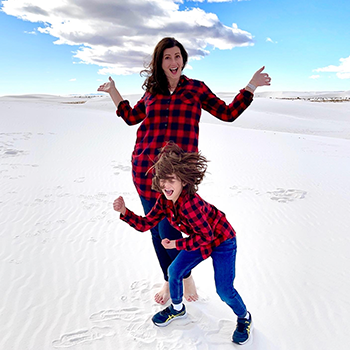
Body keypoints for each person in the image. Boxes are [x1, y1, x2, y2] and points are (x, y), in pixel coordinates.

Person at [98, 37, 271, 305]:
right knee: (156, 231)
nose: (173, 62)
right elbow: (132, 118)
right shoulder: (152, 92)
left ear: (184, 59)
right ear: (160, 62)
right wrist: (113, 91)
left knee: (173, 229)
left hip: (179, 177)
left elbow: (227, 113)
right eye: (167, 57)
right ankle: (171, 279)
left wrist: (251, 86)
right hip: (145, 171)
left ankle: (182, 275)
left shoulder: (196, 89)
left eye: (177, 56)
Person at [113, 142, 253, 345]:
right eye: (162, 180)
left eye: (171, 180)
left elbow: (206, 237)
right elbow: (145, 224)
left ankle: (244, 318)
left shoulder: (190, 204)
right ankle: (177, 309)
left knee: (224, 290)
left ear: (183, 182)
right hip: (200, 238)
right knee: (174, 270)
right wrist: (125, 212)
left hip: (222, 240)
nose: (166, 186)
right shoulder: (164, 201)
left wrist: (177, 245)